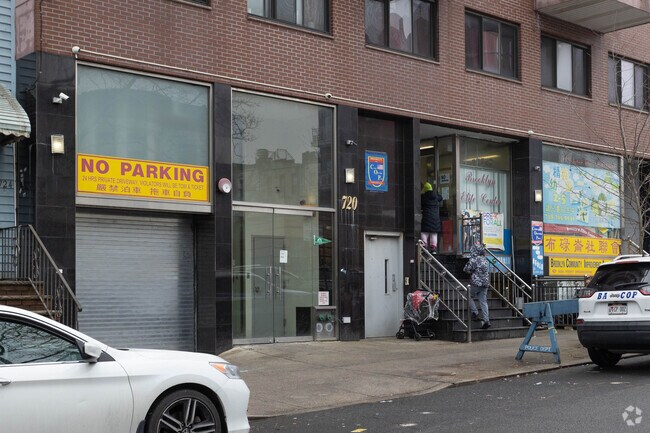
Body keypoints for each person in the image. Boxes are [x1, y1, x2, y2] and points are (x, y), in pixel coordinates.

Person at [464, 243, 491, 329]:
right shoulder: (484, 259)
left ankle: (475, 312)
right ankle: (486, 320)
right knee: (483, 301)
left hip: (476, 283)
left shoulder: (474, 260)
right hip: (485, 283)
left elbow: (466, 269)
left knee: (468, 295)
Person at [420, 181, 443, 253]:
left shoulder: (423, 197)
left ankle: (424, 246)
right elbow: (441, 197)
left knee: (424, 232)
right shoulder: (436, 196)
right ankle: (433, 249)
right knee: (434, 233)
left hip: (426, 217)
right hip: (435, 219)